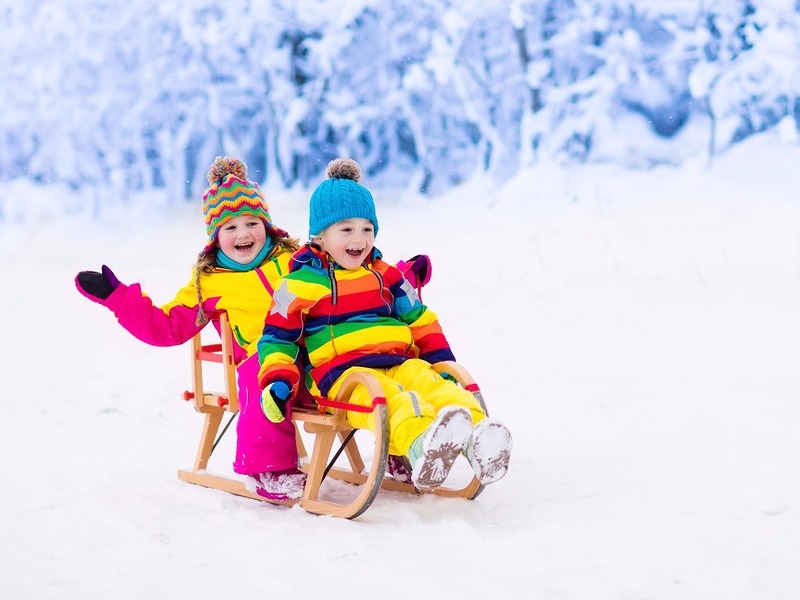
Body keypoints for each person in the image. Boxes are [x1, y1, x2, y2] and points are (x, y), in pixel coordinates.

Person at [256, 158, 513, 489]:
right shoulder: (296, 285)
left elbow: (420, 318)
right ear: (319, 236)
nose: (359, 238)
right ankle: (421, 446)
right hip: (343, 375)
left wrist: (439, 363)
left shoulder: (388, 275)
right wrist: (277, 380)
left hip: (398, 360)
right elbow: (278, 338)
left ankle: (479, 439)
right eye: (346, 229)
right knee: (390, 398)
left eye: (367, 228)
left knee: (434, 385)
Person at [75, 156, 308, 501]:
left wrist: (397, 282)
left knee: (372, 348)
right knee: (259, 369)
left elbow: (347, 279)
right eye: (230, 228)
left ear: (267, 226)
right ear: (215, 238)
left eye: (251, 223)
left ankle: (400, 446)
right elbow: (166, 327)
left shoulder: (297, 261)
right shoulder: (209, 285)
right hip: (265, 368)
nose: (243, 233)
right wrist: (118, 298)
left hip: (315, 356)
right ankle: (268, 468)